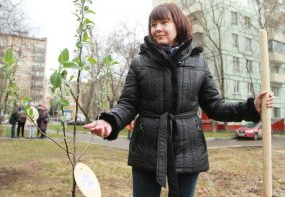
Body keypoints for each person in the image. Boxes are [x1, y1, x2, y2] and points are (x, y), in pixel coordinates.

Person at [84, 3, 274, 197]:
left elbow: (215, 106)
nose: (157, 28)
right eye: (153, 24)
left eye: (164, 22)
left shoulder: (198, 62)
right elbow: (128, 103)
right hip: (147, 147)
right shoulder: (140, 62)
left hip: (187, 148)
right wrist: (109, 121)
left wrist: (252, 107)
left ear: (178, 24)